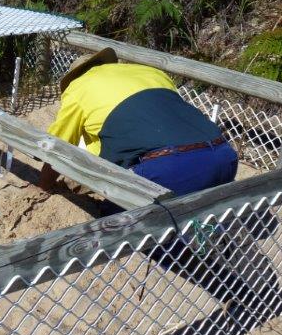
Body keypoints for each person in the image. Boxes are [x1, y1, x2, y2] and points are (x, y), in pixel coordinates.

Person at [39, 47, 238, 213]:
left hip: (169, 166)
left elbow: (56, 146)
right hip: (223, 154)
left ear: (74, 77)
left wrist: (44, 186)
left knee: (115, 219)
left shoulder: (78, 87)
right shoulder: (151, 73)